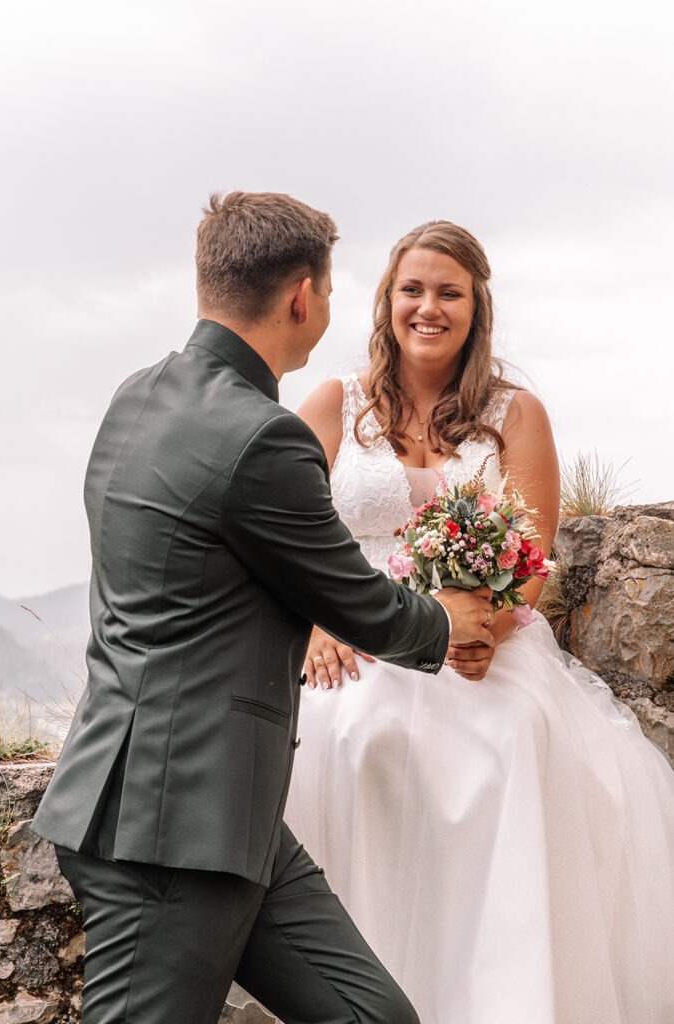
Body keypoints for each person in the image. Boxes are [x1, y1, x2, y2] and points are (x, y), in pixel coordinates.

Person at [31, 193, 495, 1024]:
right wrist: (451, 618)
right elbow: (356, 602)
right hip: (172, 830)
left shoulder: (137, 396)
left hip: (218, 813)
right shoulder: (262, 437)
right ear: (301, 298)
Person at [285, 220, 674, 1024]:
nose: (428, 307)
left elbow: (530, 553)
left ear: (475, 306)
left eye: (448, 293)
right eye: (412, 290)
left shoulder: (515, 412)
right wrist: (314, 624)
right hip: (358, 636)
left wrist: (486, 630)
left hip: (482, 642)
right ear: (387, 301)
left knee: (504, 739)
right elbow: (281, 531)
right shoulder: (334, 402)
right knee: (353, 735)